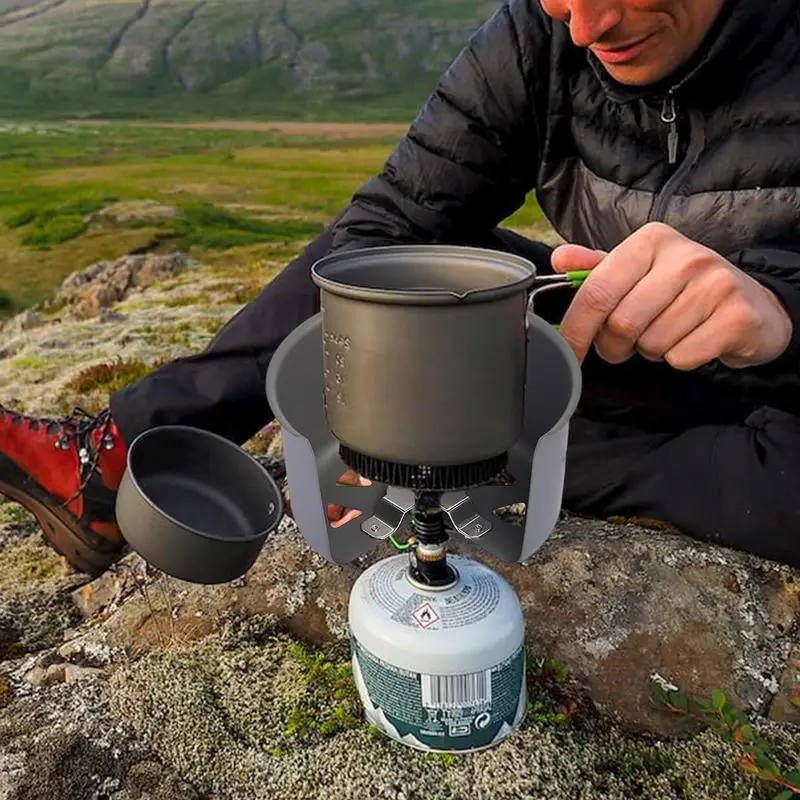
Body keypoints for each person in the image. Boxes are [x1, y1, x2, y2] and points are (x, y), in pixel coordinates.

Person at [2, 0, 799, 575]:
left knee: (778, 491)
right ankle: (112, 460)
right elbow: (389, 224)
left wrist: (778, 308)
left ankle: (457, 465)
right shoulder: (542, 35)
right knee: (403, 265)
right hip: (618, 352)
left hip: (781, 402)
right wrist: (360, 399)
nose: (586, 28)